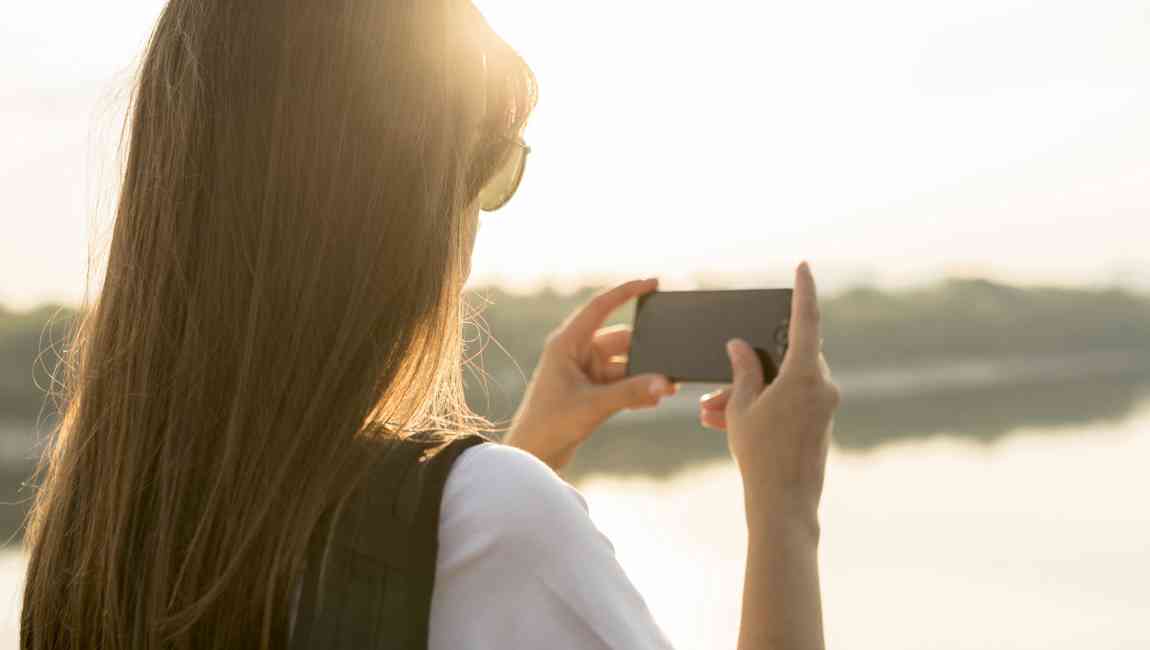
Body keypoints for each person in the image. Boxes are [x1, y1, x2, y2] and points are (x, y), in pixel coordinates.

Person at [20, 1, 841, 648]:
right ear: (396, 208)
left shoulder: (97, 533)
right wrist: (786, 509)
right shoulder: (496, 522)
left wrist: (532, 452)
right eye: (487, 173)